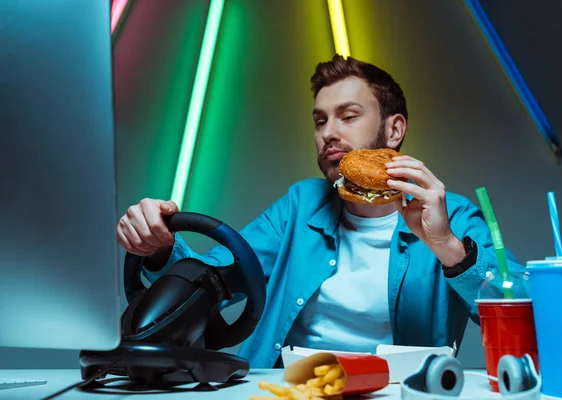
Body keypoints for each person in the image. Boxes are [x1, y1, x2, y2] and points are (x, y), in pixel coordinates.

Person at [117, 54, 524, 368]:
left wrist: (448, 246)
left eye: (348, 116)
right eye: (320, 120)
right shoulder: (301, 205)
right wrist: (158, 247)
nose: (329, 132)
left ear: (394, 130)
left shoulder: (451, 213)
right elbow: (210, 281)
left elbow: (527, 312)